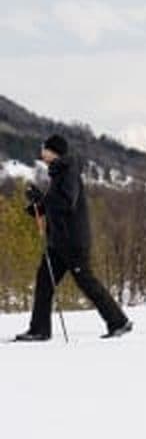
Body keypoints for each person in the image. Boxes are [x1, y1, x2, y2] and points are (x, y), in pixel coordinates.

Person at [14, 135, 133, 341]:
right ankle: (39, 330)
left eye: (45, 148)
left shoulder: (68, 171)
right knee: (44, 281)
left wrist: (42, 200)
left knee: (86, 282)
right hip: (58, 241)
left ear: (54, 152)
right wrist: (35, 205)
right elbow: (53, 205)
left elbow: (67, 203)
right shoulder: (58, 172)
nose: (42, 152)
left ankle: (118, 321)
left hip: (72, 241)